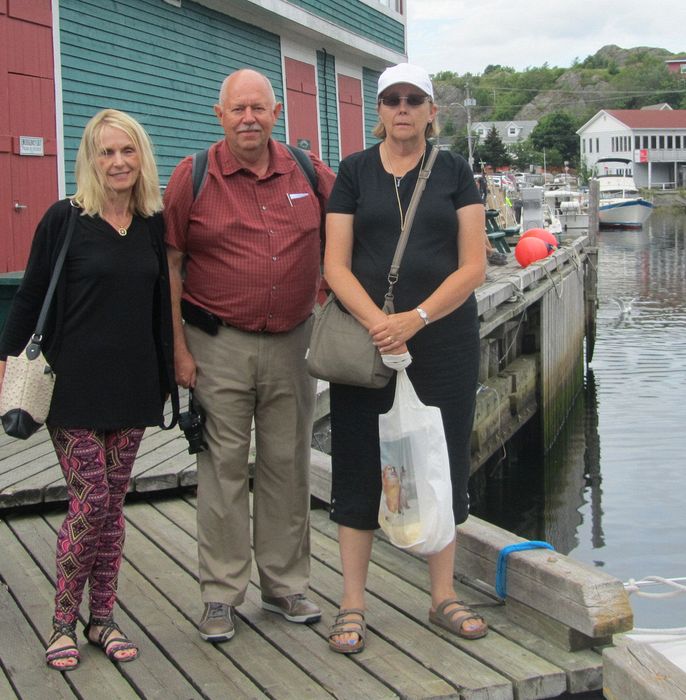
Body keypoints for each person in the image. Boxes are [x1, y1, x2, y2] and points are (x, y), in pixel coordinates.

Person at [0, 109, 178, 670]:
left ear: (141, 157)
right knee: (93, 500)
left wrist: (168, 380)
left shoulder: (152, 223)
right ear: (91, 159)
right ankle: (61, 623)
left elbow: (158, 308)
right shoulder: (64, 219)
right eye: (107, 152)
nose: (118, 162)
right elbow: (29, 298)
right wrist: (6, 363)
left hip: (132, 386)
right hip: (71, 387)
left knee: (114, 506)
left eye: (128, 151)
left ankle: (102, 618)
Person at [163, 69, 335, 643]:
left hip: (293, 343)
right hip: (218, 346)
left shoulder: (307, 173)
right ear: (220, 115)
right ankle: (220, 593)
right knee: (223, 470)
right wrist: (179, 350)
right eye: (238, 109)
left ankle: (285, 584)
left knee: (288, 465)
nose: (248, 119)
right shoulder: (195, 176)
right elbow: (170, 264)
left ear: (277, 112)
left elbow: (353, 226)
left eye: (259, 108)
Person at [324, 63, 488, 654]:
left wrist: (414, 319)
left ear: (430, 110)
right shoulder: (353, 172)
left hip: (442, 341)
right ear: (380, 108)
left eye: (413, 99)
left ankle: (442, 593)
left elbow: (473, 266)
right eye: (392, 99)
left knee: (440, 460)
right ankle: (352, 602)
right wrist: (379, 324)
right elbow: (335, 264)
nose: (402, 108)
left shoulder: (453, 172)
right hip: (369, 345)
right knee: (359, 459)